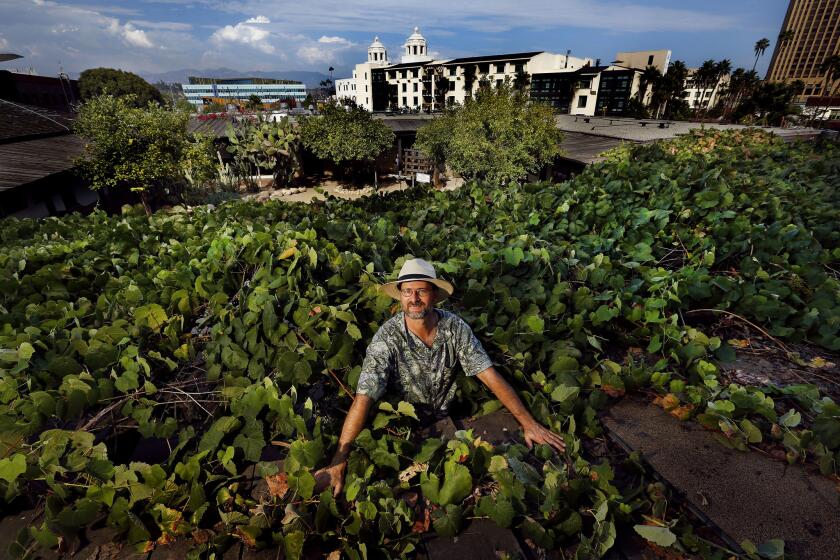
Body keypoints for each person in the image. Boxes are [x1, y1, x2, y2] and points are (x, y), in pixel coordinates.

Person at [314, 258, 565, 496]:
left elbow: (489, 375)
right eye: (407, 292)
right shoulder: (387, 338)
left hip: (447, 416)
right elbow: (364, 397)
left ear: (433, 294)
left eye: (421, 291)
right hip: (405, 426)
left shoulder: (454, 328)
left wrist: (528, 423)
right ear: (400, 296)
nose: (414, 299)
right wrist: (340, 458)